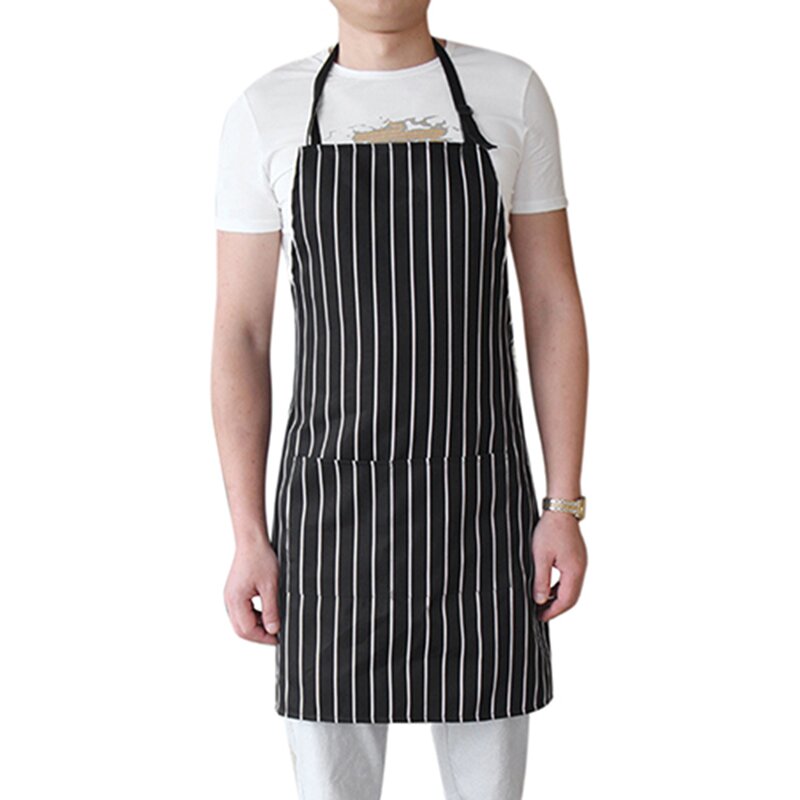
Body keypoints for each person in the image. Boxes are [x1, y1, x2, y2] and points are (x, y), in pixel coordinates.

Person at [211, 3, 589, 798]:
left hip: (479, 507)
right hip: (330, 521)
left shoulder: (511, 92)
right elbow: (241, 336)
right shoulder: (265, 111)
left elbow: (553, 307)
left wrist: (563, 505)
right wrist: (248, 535)